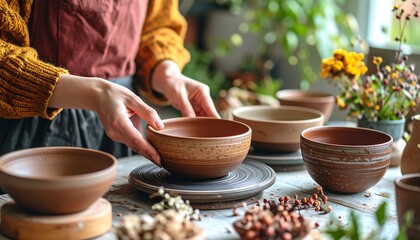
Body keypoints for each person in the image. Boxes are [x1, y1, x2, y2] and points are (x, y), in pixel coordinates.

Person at [0, 0, 220, 167]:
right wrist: (93, 93)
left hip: (124, 121)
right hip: (30, 127)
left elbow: (158, 25)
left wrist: (164, 71)